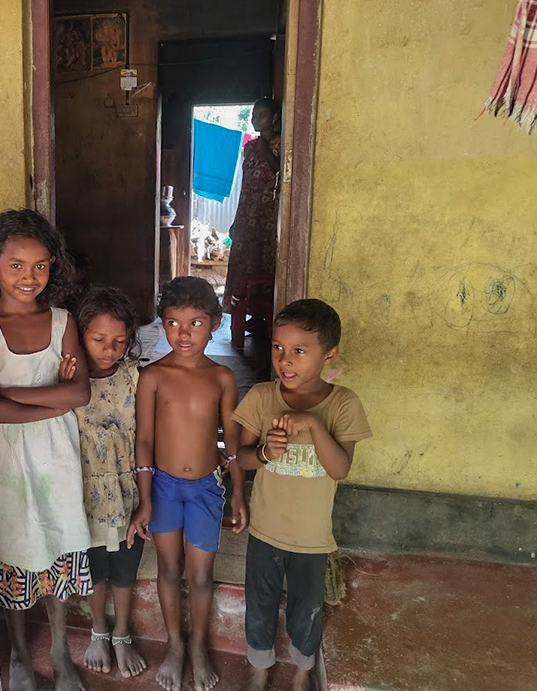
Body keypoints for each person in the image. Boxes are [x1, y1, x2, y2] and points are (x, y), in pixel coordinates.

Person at [0, 209, 93, 691]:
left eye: (41, 266)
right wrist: (46, 397)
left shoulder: (62, 320)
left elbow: (79, 394)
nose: (29, 277)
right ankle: (20, 653)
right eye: (17, 265)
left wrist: (14, 394)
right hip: (5, 463)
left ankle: (61, 652)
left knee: (59, 538)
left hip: (58, 459)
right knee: (14, 545)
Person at [232, 299, 371, 691]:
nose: (285, 360)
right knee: (259, 608)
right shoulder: (261, 397)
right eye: (278, 348)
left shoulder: (343, 404)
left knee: (305, 611)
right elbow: (240, 458)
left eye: (298, 351)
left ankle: (302, 670)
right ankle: (259, 668)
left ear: (329, 354)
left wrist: (312, 424)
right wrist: (263, 452)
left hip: (311, 540)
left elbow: (340, 468)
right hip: (265, 531)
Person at [127, 276, 248, 691]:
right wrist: (144, 501)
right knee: (169, 568)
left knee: (199, 575)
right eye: (173, 322)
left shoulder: (222, 377)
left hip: (205, 491)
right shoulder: (153, 376)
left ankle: (198, 644)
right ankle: (174, 644)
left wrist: (237, 490)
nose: (184, 333)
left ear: (214, 323)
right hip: (161, 488)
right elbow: (143, 439)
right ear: (162, 323)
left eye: (196, 323)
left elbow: (231, 441)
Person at [72, 286, 147, 680]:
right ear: (81, 334)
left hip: (126, 493)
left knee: (124, 566)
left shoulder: (136, 377)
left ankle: (121, 633)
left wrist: (147, 500)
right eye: (98, 339)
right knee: (95, 567)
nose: (109, 349)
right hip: (82, 493)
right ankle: (98, 628)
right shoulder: (66, 377)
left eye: (119, 341)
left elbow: (148, 438)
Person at [221, 97, 281, 313]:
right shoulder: (249, 147)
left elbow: (279, 171)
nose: (256, 120)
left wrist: (264, 145)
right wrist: (237, 219)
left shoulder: (281, 144)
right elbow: (246, 185)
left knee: (264, 262)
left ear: (274, 118)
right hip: (247, 211)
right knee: (244, 261)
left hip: (270, 214)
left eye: (262, 115)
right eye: (254, 115)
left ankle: (261, 313)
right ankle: (243, 310)